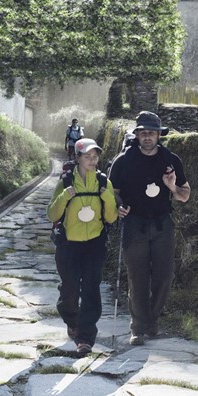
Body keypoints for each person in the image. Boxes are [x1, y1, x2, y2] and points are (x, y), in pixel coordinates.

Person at [108, 111, 190, 345]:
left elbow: (185, 195)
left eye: (152, 133)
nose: (147, 137)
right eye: (143, 132)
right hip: (134, 225)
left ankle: (152, 320)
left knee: (165, 276)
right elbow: (111, 193)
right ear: (137, 134)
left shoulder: (171, 160)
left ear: (158, 135)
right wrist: (119, 206)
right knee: (137, 278)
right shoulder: (123, 161)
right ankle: (138, 327)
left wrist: (172, 187)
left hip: (162, 224)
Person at [47, 138, 117, 356]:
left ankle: (85, 338)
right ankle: (70, 317)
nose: (92, 160)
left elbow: (111, 218)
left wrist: (107, 198)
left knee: (90, 289)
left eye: (95, 156)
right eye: (87, 156)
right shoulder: (67, 181)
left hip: (94, 245)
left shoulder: (104, 183)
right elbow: (52, 214)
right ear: (78, 158)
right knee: (69, 288)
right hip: (68, 244)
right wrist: (64, 196)